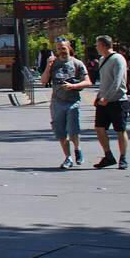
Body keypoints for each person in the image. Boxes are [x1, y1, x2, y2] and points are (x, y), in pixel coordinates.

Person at [40, 38, 91, 169]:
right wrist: (48, 66)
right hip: (57, 102)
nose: (61, 51)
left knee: (73, 129)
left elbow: (88, 82)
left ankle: (77, 149)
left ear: (69, 48)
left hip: (72, 101)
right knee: (60, 131)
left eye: (63, 48)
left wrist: (74, 86)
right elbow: (44, 81)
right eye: (58, 48)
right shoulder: (54, 63)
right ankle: (68, 157)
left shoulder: (77, 63)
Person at [92, 35, 129, 170]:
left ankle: (123, 157)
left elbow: (117, 81)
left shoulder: (118, 59)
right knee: (99, 128)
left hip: (118, 100)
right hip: (103, 101)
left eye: (97, 44)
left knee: (120, 129)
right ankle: (108, 156)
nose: (96, 47)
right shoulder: (102, 59)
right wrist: (99, 96)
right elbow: (104, 82)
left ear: (103, 45)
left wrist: (106, 97)